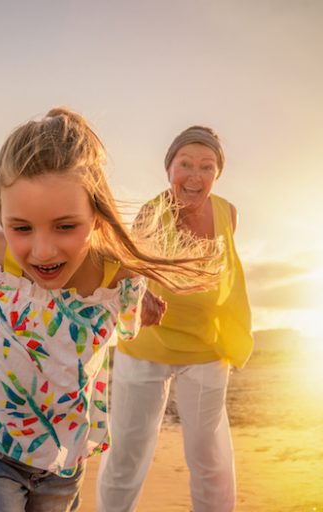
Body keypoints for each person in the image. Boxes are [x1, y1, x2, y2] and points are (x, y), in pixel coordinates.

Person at [0, 108, 219, 512]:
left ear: (96, 217)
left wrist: (144, 307)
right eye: (22, 227)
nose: (43, 251)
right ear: (3, 217)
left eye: (65, 226)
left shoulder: (115, 278)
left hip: (63, 465)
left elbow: (129, 322)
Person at [97, 126, 253, 512]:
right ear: (169, 169)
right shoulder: (152, 212)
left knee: (210, 457)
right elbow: (131, 269)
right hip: (148, 345)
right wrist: (143, 296)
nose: (195, 176)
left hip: (205, 346)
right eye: (185, 164)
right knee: (128, 452)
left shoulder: (228, 214)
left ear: (218, 173)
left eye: (207, 166)